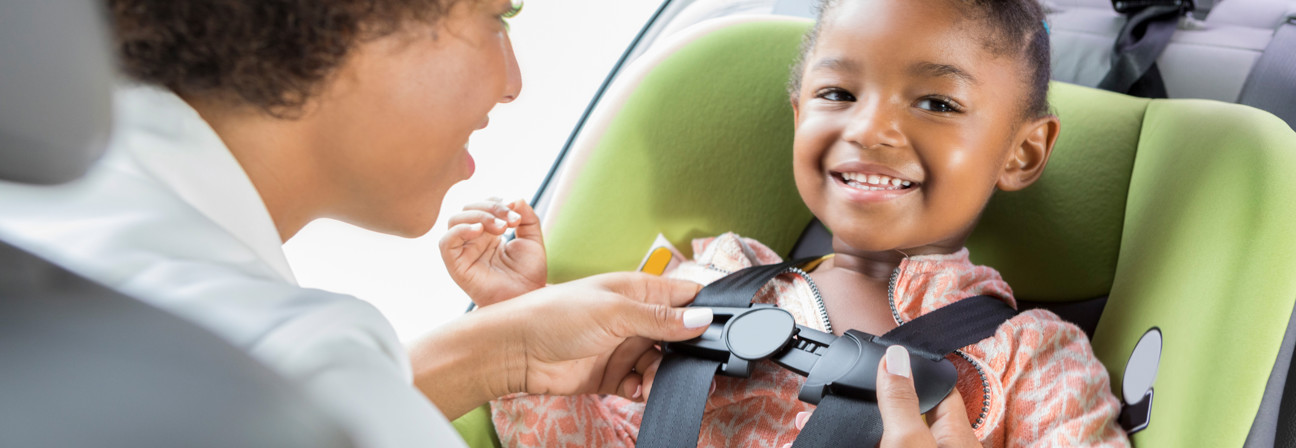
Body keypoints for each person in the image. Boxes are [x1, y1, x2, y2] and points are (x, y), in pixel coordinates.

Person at [0, 1, 719, 447]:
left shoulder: (53, 236)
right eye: (495, 16)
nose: (513, 81)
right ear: (351, 18)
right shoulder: (287, 365)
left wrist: (508, 350)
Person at [441, 0, 1131, 446]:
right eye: (838, 93)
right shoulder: (710, 281)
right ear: (800, 113)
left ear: (1023, 150)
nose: (871, 127)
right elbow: (591, 437)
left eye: (938, 103)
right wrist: (518, 318)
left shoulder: (1031, 358)